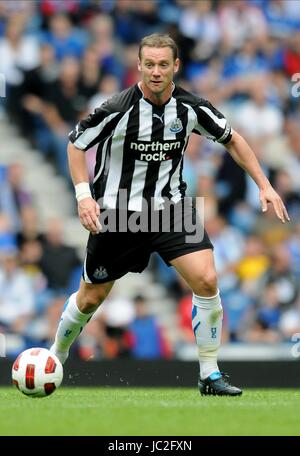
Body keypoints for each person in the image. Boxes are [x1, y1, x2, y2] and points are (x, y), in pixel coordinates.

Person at [50, 34, 290, 396]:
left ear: (175, 66)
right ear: (139, 66)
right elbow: (75, 143)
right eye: (150, 64)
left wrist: (264, 185)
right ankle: (56, 355)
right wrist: (85, 197)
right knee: (90, 299)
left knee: (207, 280)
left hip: (171, 210)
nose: (156, 71)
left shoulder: (191, 107)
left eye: (164, 64)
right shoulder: (116, 107)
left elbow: (233, 139)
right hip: (119, 215)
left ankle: (209, 373)